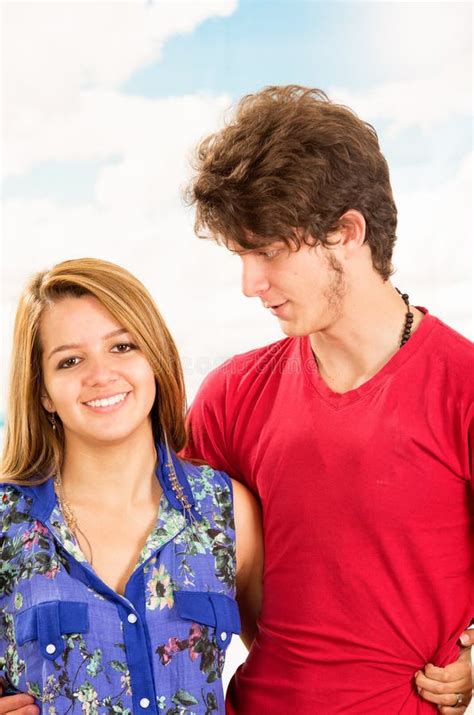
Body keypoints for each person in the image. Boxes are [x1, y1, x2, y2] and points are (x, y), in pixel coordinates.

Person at [182, 86, 474, 714]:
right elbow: (150, 558)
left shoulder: (465, 389)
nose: (249, 284)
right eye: (241, 255)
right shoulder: (231, 396)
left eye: (268, 252)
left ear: (347, 232)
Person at [0, 258, 263, 714]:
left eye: (122, 347)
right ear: (43, 391)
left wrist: (428, 667)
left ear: (154, 360)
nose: (101, 375)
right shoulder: (6, 522)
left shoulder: (226, 510)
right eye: (70, 360)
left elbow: (291, 666)